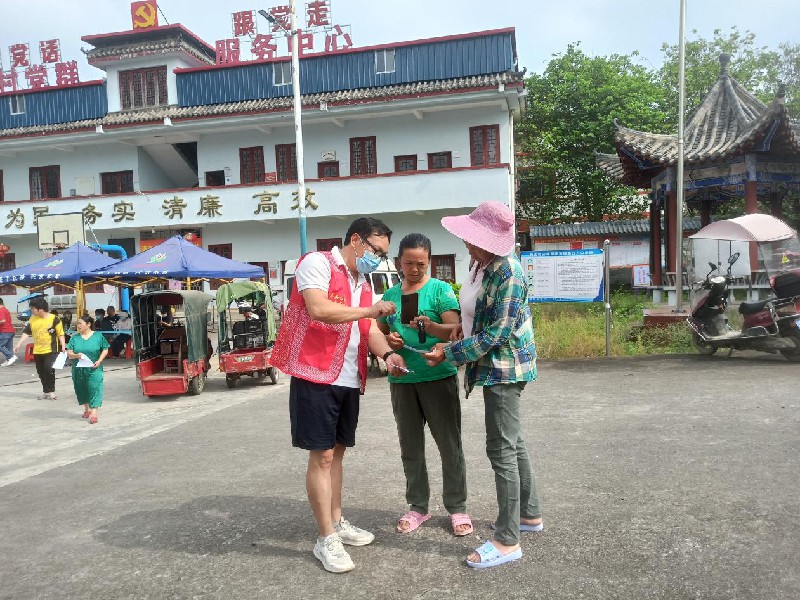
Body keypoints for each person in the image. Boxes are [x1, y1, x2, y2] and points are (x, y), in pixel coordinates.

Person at [271, 217, 408, 574]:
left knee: (337, 454)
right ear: (356, 240)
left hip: (347, 377)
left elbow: (368, 328)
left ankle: (336, 520)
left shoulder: (363, 281)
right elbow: (318, 308)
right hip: (315, 373)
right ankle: (325, 537)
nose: (378, 259)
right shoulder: (317, 263)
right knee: (322, 456)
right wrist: (371, 310)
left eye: (383, 255)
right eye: (376, 251)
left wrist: (387, 354)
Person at [423, 201, 540, 570]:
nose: (467, 244)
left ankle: (508, 540)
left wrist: (450, 353)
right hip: (492, 363)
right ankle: (529, 514)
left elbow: (497, 334)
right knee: (513, 442)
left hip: (505, 369)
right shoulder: (481, 264)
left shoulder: (510, 274)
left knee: (501, 449)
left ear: (491, 241)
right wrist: (461, 329)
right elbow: (479, 314)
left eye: (473, 239)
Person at [376, 233, 472, 536]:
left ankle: (457, 507)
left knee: (449, 444)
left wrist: (430, 327)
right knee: (410, 446)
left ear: (429, 261)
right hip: (402, 379)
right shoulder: (390, 296)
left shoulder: (440, 290)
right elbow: (376, 333)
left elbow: (455, 331)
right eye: (409, 263)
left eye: (421, 263)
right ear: (398, 263)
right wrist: (389, 341)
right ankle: (418, 506)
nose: (415, 269)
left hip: (437, 376)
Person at [14, 296, 66, 400]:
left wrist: (63, 346)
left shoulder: (54, 319)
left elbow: (60, 334)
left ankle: (51, 391)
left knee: (48, 369)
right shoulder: (33, 319)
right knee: (41, 371)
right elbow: (27, 332)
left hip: (51, 350)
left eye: (33, 309)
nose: (31, 311)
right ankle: (45, 391)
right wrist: (19, 343)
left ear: (40, 309)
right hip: (37, 350)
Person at [65, 315, 109, 424]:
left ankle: (94, 413)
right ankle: (87, 409)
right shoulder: (75, 338)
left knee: (95, 388)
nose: (78, 325)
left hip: (94, 368)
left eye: (80, 323)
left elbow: (105, 349)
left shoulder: (98, 336)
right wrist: (76, 355)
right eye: (77, 323)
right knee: (81, 388)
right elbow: (69, 352)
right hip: (79, 369)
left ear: (88, 324)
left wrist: (99, 360)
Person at [0, 298, 17, 366]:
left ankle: (10, 357)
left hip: (5, 331)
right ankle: (10, 361)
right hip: (10, 331)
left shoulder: (1, 310)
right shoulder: (5, 309)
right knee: (8, 347)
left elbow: (3, 320)